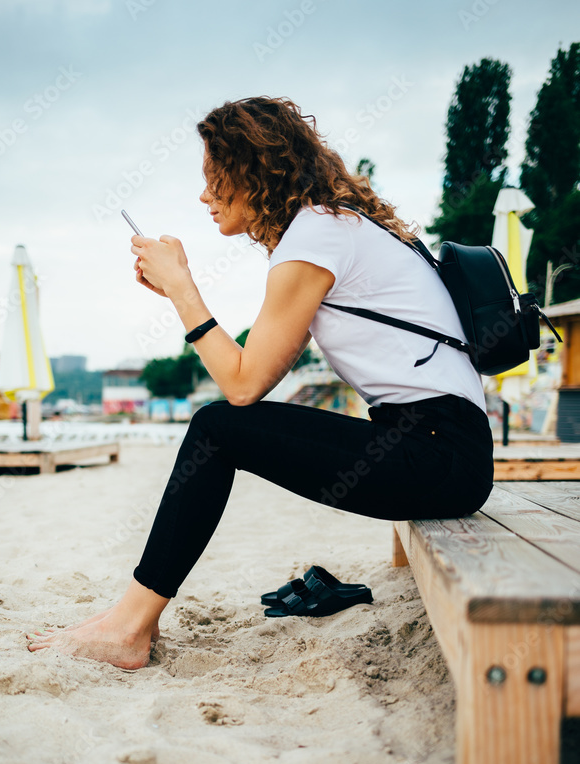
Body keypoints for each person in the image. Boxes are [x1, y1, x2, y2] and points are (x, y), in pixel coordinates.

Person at [27, 97, 493, 669]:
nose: (203, 195)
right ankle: (124, 619)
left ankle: (129, 627)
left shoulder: (318, 234)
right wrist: (181, 292)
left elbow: (242, 391)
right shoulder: (330, 228)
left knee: (216, 429)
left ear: (251, 171)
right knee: (221, 428)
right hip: (437, 447)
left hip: (439, 453)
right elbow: (253, 377)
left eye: (212, 177)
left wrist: (181, 290)